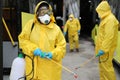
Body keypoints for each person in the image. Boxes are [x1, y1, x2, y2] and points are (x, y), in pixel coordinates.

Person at [18, 1, 66, 80]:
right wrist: (33, 49)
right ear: (37, 13)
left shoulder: (56, 29)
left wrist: (53, 54)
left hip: (50, 73)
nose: (45, 15)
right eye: (42, 12)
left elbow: (62, 47)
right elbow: (22, 40)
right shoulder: (30, 25)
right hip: (33, 71)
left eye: (47, 12)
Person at [95, 1, 119, 80]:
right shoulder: (105, 19)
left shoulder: (110, 19)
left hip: (106, 51)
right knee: (103, 69)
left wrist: (103, 49)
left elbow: (109, 36)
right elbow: (102, 35)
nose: (98, 14)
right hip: (103, 50)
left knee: (107, 69)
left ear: (103, 10)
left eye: (99, 12)